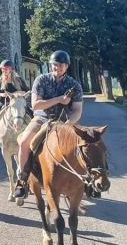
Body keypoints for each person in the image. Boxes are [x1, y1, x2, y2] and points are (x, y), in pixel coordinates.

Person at [12, 50, 83, 201]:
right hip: (42, 119)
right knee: (24, 143)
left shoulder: (74, 85)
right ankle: (22, 180)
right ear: (51, 65)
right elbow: (36, 105)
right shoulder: (41, 80)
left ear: (67, 66)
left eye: (61, 65)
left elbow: (77, 110)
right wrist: (59, 99)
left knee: (86, 144)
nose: (58, 67)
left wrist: (68, 124)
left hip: (64, 122)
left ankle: (86, 179)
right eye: (55, 65)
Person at [0, 59, 31, 149]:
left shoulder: (18, 80)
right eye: (3, 69)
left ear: (11, 69)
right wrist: (1, 94)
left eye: (7, 69)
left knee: (31, 114)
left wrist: (18, 93)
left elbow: (27, 90)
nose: (5, 71)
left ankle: (35, 134)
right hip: (4, 102)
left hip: (18, 103)